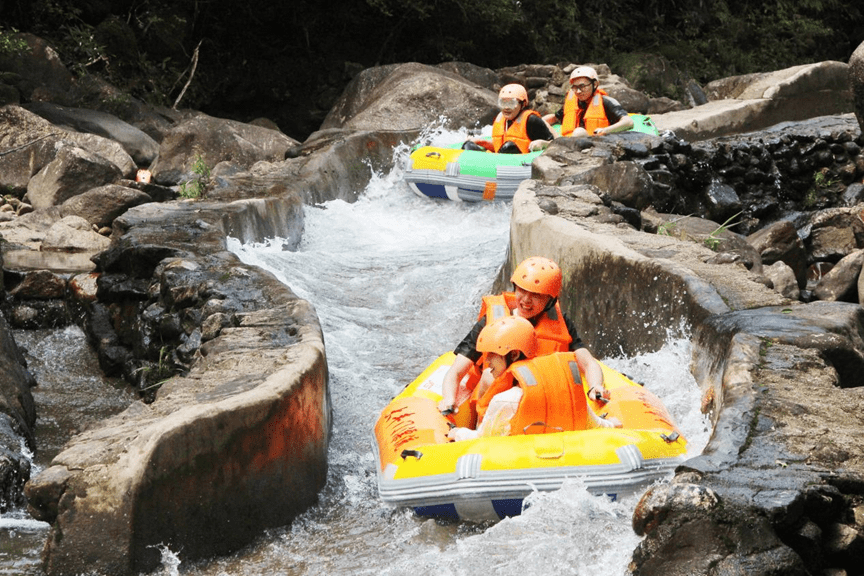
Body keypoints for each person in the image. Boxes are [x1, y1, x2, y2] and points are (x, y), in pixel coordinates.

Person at [437, 256, 606, 417]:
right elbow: (457, 371)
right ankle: (480, 429)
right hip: (496, 401)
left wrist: (595, 386)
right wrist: (449, 399)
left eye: (536, 295)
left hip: (539, 397)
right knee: (489, 376)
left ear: (550, 300)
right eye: (522, 290)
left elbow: (588, 363)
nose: (526, 300)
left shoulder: (561, 323)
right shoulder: (491, 322)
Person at [447, 316, 621, 442]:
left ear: (513, 355)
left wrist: (457, 433)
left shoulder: (505, 401)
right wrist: (612, 424)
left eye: (493, 354)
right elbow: (597, 425)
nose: (487, 360)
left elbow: (482, 439)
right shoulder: (568, 392)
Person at [542, 66, 634, 138]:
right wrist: (544, 124)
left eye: (582, 86)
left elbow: (628, 122)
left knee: (579, 132)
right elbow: (554, 118)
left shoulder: (606, 102)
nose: (578, 91)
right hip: (571, 143)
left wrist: (606, 130)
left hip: (596, 143)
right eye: (575, 87)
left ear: (595, 84)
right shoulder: (574, 103)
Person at [463, 84, 555, 154]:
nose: (506, 108)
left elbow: (555, 144)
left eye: (511, 103)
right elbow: (498, 146)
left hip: (522, 162)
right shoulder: (501, 119)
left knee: (509, 146)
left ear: (522, 104)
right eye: (503, 103)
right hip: (501, 158)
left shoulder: (531, 120)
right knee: (468, 145)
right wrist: (480, 141)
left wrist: (543, 144)